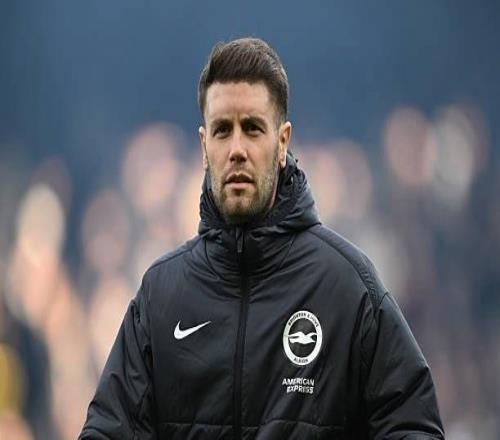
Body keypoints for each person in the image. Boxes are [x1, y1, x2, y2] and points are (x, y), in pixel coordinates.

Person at [79, 37, 445, 439]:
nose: (237, 149)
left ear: (282, 142)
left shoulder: (347, 287)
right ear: (204, 146)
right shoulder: (162, 295)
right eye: (222, 130)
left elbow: (412, 427)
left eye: (252, 129)